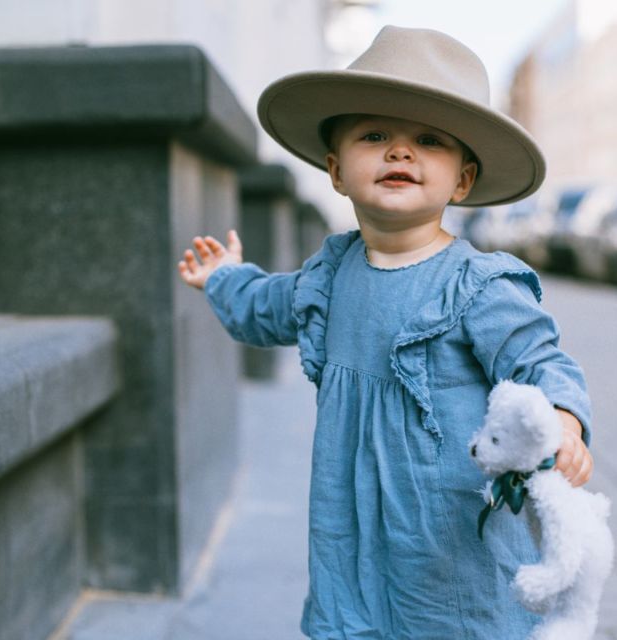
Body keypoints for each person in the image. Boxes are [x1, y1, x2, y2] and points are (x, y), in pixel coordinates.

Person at [178, 26, 593, 640]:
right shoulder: (328, 276)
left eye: (428, 140)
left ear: (463, 181)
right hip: (351, 526)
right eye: (375, 136)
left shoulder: (478, 285)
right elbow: (265, 304)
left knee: (455, 623)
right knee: (357, 621)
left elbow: (540, 360)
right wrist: (222, 278)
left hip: (447, 536)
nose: (400, 152)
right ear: (336, 170)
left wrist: (564, 419)